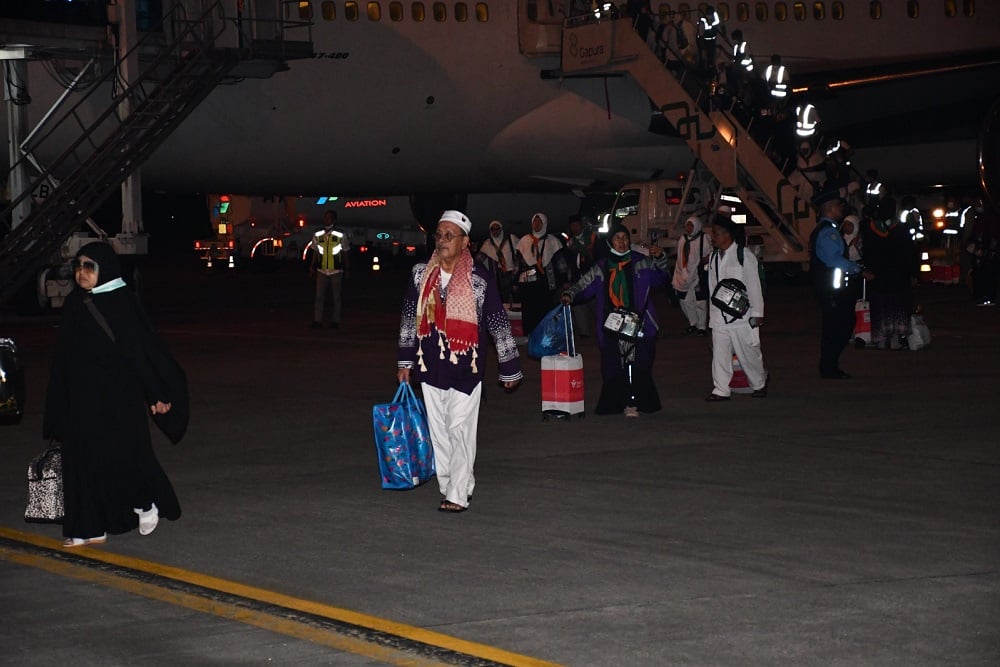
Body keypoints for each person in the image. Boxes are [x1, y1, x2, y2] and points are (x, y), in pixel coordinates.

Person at [44, 242, 185, 547]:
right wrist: (57, 405)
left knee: (123, 459)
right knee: (80, 463)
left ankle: (146, 501)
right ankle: (88, 527)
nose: (82, 273)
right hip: (80, 400)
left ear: (104, 269)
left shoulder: (122, 302)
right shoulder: (74, 305)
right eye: (78, 267)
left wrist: (155, 394)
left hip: (118, 400)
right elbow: (62, 360)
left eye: (89, 267)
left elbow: (142, 353)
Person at [397, 210, 523, 513]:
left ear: (465, 242)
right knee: (439, 432)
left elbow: (497, 321)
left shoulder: (479, 279)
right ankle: (453, 484)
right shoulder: (420, 274)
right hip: (429, 367)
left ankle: (456, 494)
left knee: (459, 428)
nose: (442, 241)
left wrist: (509, 367)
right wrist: (404, 361)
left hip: (468, 367)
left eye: (449, 236)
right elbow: (408, 319)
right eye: (439, 235)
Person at [560, 225, 669, 418]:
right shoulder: (602, 266)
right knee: (613, 366)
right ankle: (617, 403)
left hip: (640, 323)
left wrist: (661, 258)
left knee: (639, 365)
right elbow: (583, 285)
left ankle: (635, 403)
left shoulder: (641, 262)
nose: (622, 242)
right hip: (612, 325)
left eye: (625, 238)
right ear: (610, 241)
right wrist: (570, 294)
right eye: (617, 238)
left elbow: (661, 278)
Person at [810, 190, 874, 378]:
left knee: (836, 327)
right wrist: (859, 270)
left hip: (831, 288)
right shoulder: (828, 232)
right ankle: (829, 367)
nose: (841, 209)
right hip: (833, 290)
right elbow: (833, 260)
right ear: (829, 208)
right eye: (838, 206)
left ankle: (829, 366)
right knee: (839, 327)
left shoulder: (827, 229)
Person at [705, 216, 768, 401]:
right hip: (719, 318)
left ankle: (759, 384)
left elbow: (754, 285)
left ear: (727, 235)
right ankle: (721, 389)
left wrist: (757, 313)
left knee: (749, 353)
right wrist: (712, 317)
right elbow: (712, 288)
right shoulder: (714, 257)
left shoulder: (744, 255)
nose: (712, 237)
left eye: (715, 233)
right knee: (720, 354)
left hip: (742, 317)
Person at [862, 213, 918, 349]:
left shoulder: (872, 232)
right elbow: (910, 255)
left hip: (879, 278)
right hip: (898, 278)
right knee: (897, 307)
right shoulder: (901, 232)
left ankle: (881, 339)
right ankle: (897, 339)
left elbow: (867, 255)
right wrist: (913, 274)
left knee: (881, 308)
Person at [514, 212, 565, 336]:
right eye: (534, 222)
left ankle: (545, 336)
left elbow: (561, 263)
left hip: (546, 283)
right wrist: (515, 282)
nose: (537, 224)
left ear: (545, 223)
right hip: (528, 284)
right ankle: (530, 336)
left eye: (539, 222)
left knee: (545, 310)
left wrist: (563, 281)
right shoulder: (524, 241)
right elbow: (517, 264)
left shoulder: (553, 241)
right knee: (529, 311)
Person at [672, 215, 712, 335]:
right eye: (687, 225)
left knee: (700, 301)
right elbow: (680, 258)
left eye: (691, 225)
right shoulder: (683, 239)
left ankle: (701, 327)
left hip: (698, 274)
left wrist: (702, 262)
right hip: (683, 275)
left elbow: (709, 254)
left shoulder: (704, 238)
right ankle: (693, 323)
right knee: (685, 301)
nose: (688, 228)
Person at [310, 210, 350, 330]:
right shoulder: (318, 233)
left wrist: (347, 269)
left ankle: (335, 321)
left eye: (329, 217)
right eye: (325, 217)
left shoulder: (340, 234)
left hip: (336, 270)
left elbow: (345, 251)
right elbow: (315, 251)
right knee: (319, 297)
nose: (326, 219)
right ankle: (317, 321)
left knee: (336, 297)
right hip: (321, 269)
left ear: (334, 220)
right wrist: (311, 266)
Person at [565, 215, 598, 336]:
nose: (575, 228)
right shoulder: (570, 243)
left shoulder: (593, 238)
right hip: (577, 279)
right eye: (573, 226)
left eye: (577, 225)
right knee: (579, 305)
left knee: (596, 305)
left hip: (593, 277)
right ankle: (584, 333)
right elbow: (568, 263)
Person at [475, 219, 519, 303]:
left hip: (510, 274)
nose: (495, 231)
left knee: (512, 298)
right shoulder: (487, 243)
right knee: (498, 298)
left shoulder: (511, 239)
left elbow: (520, 254)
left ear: (501, 229)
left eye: (497, 229)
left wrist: (516, 270)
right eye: (492, 229)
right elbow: (479, 260)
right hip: (496, 276)